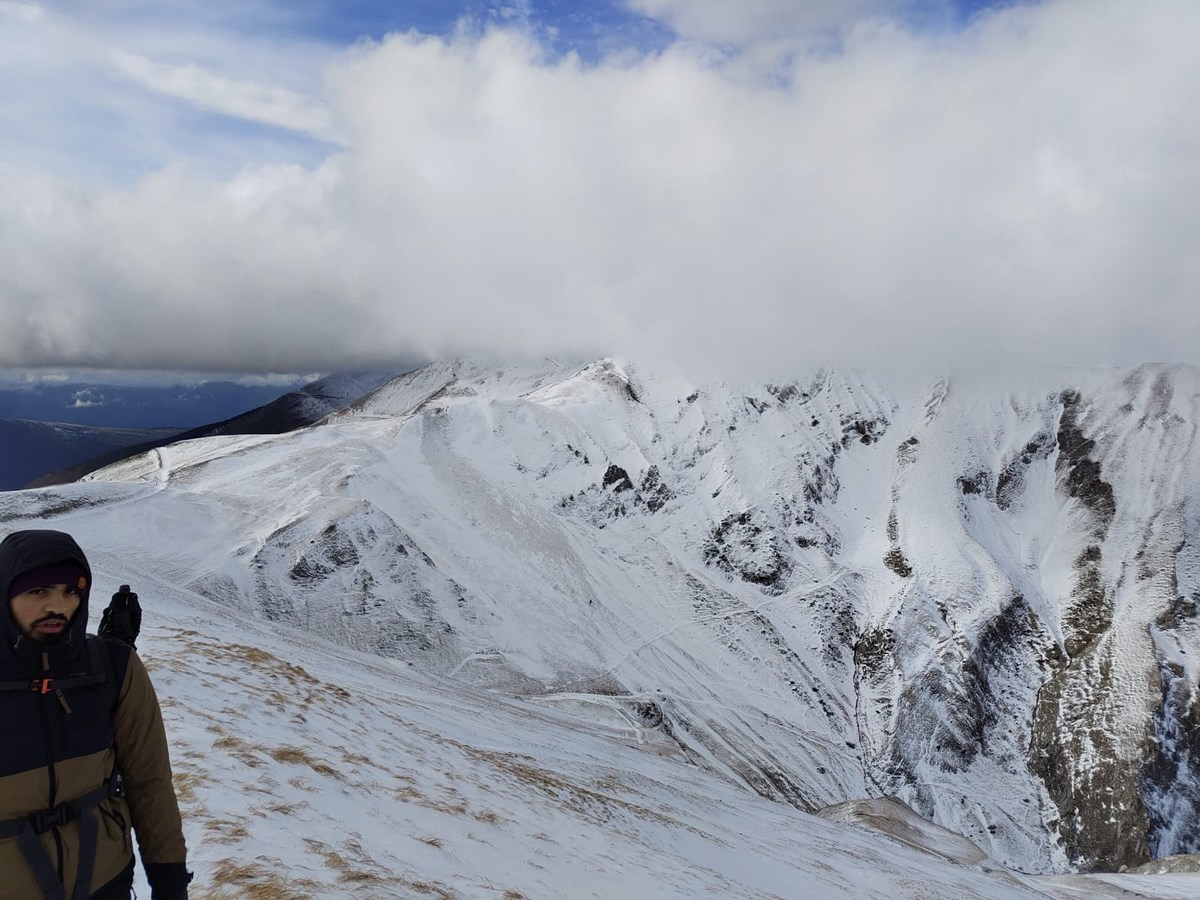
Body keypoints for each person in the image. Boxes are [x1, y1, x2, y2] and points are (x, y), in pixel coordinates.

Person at [0, 529, 191, 899]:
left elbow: (149, 781)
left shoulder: (112, 667)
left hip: (107, 880)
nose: (57, 605)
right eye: (38, 591)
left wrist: (170, 881)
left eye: (71, 590)